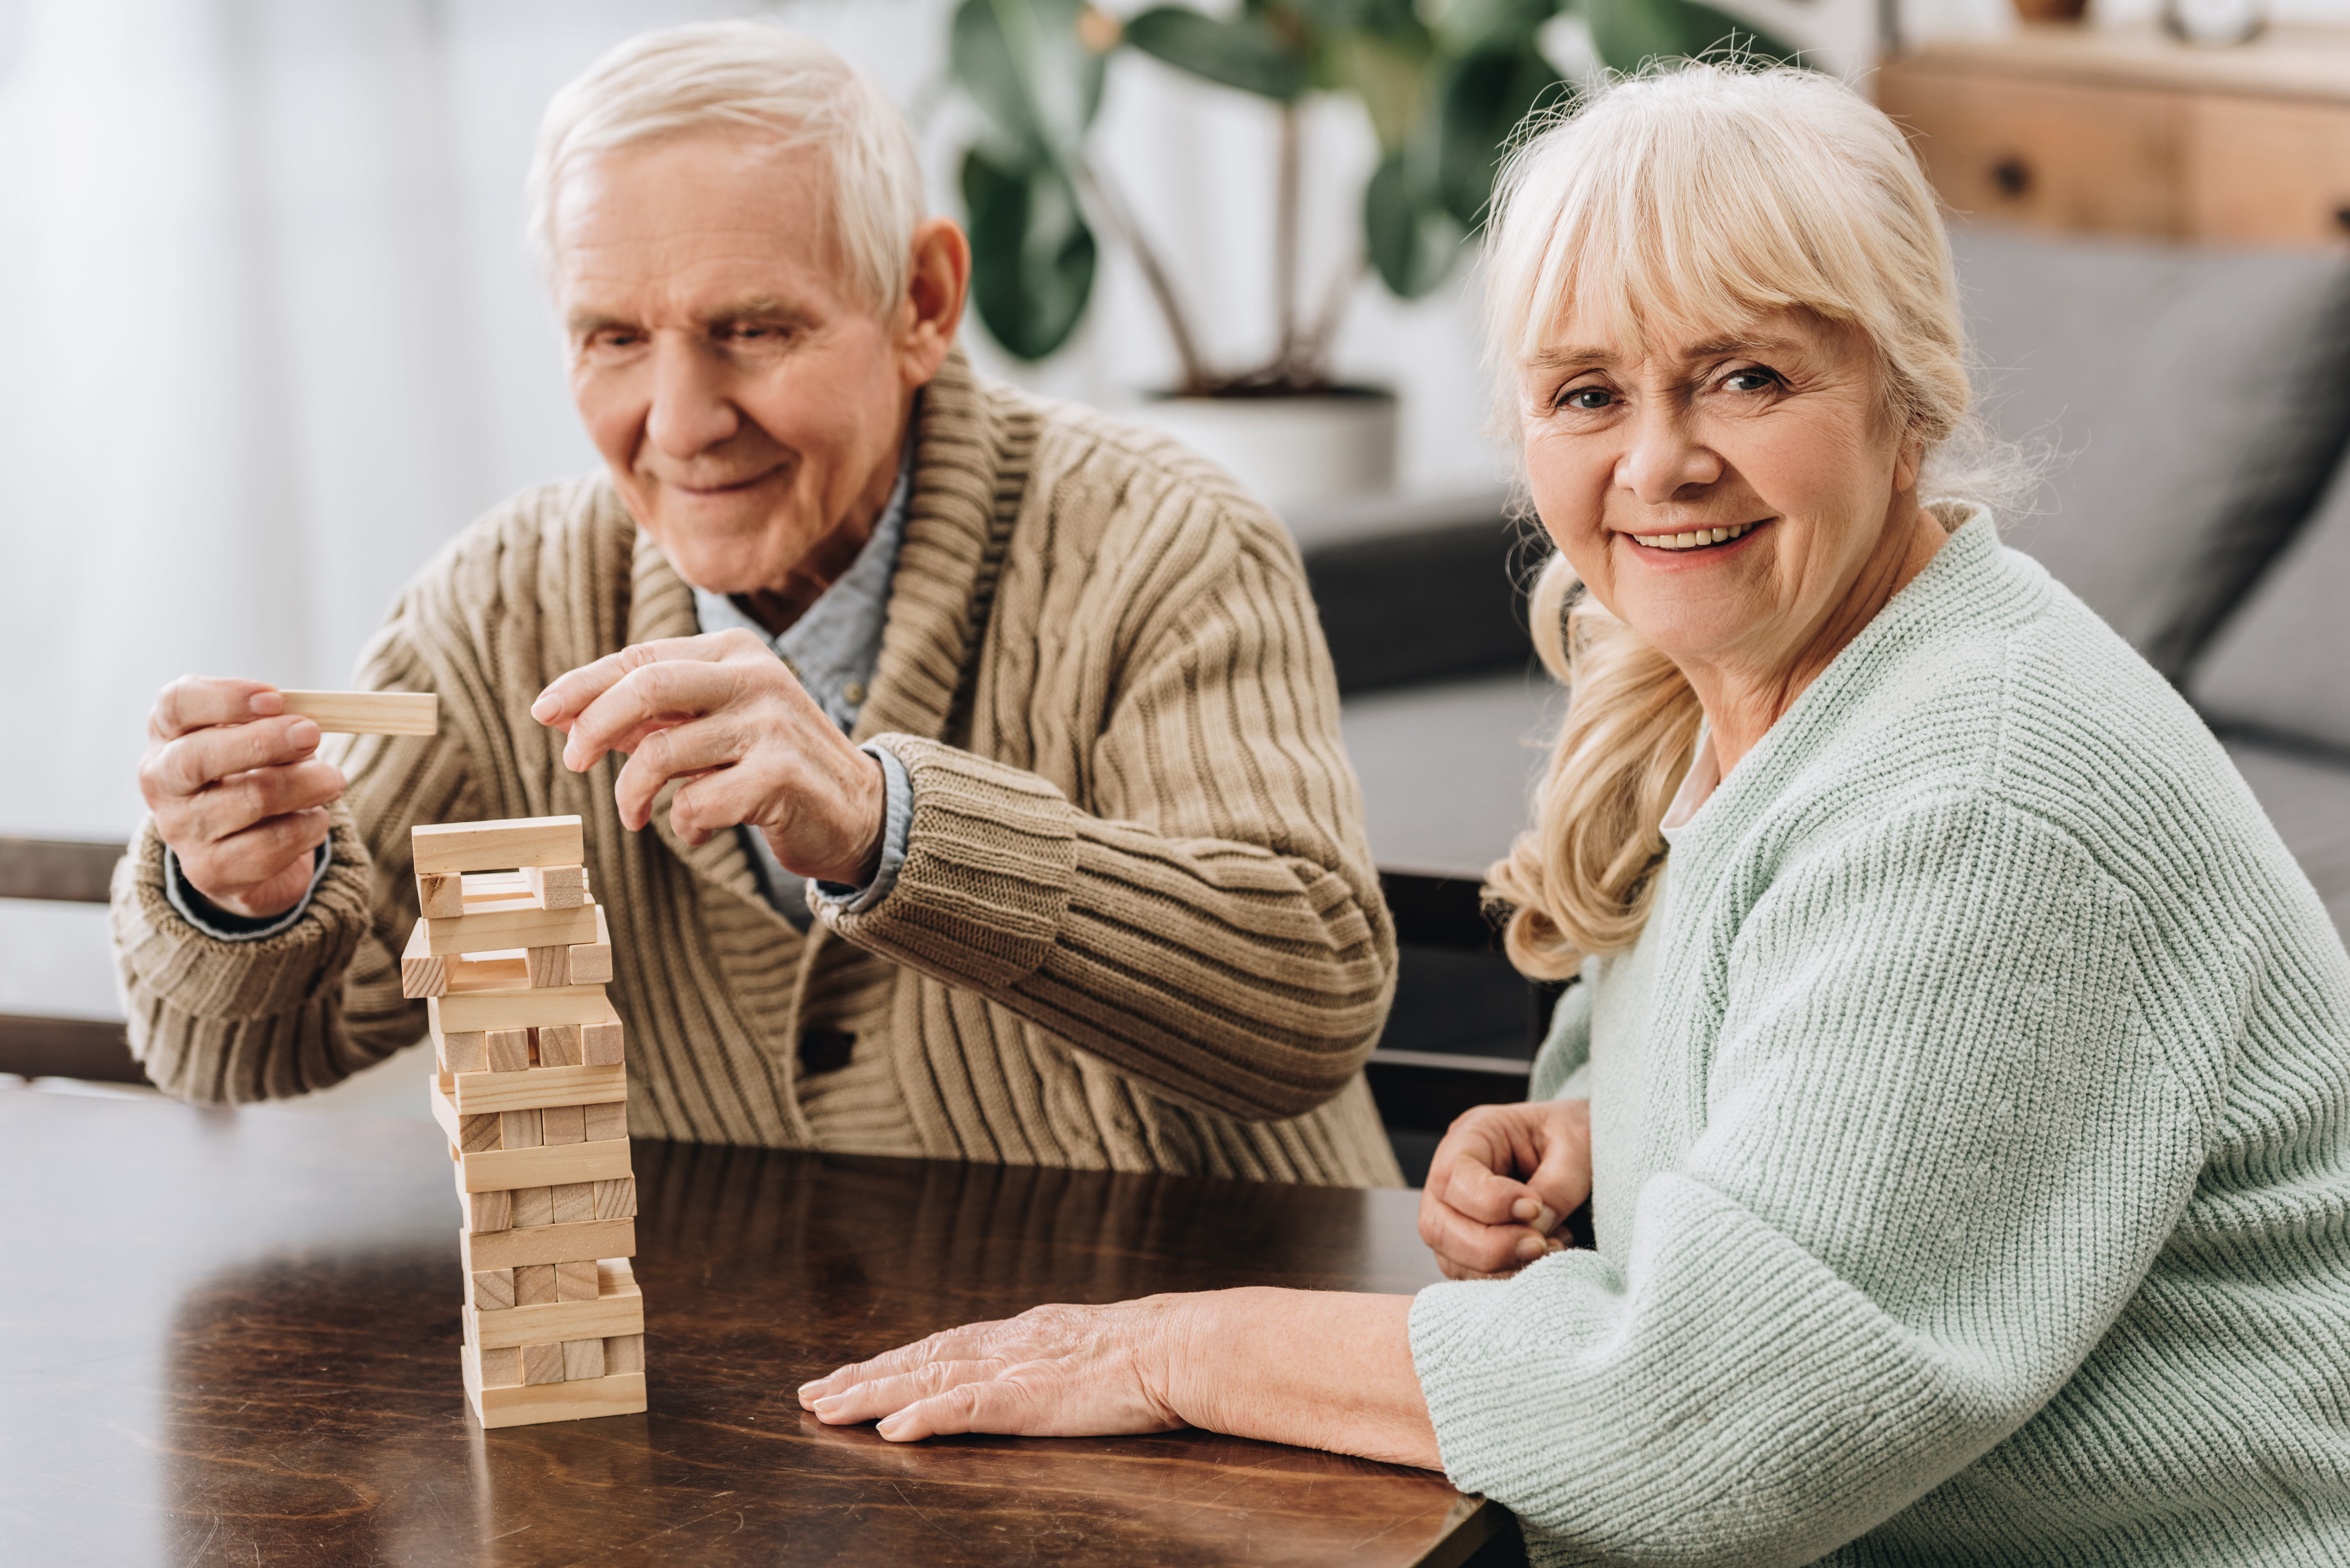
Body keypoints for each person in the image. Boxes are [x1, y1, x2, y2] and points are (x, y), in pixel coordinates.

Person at [794, 64, 2350, 1563]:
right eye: (1589, 392)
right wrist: (1616, 1139)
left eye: (1747, 374)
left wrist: (1178, 1353)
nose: (1661, 460)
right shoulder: (1765, 683)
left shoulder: (1984, 798)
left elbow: (1710, 1421)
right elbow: (1868, 1107)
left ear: (1907, 395)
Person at [111, 21, 1401, 1187]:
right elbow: (231, 1058)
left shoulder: (1162, 540)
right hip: (746, 1395)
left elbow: (1312, 999)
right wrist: (239, 896)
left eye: (753, 328)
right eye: (613, 338)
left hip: (1188, 1357)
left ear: (923, 303)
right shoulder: (507, 603)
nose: (679, 425)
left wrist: (886, 828)